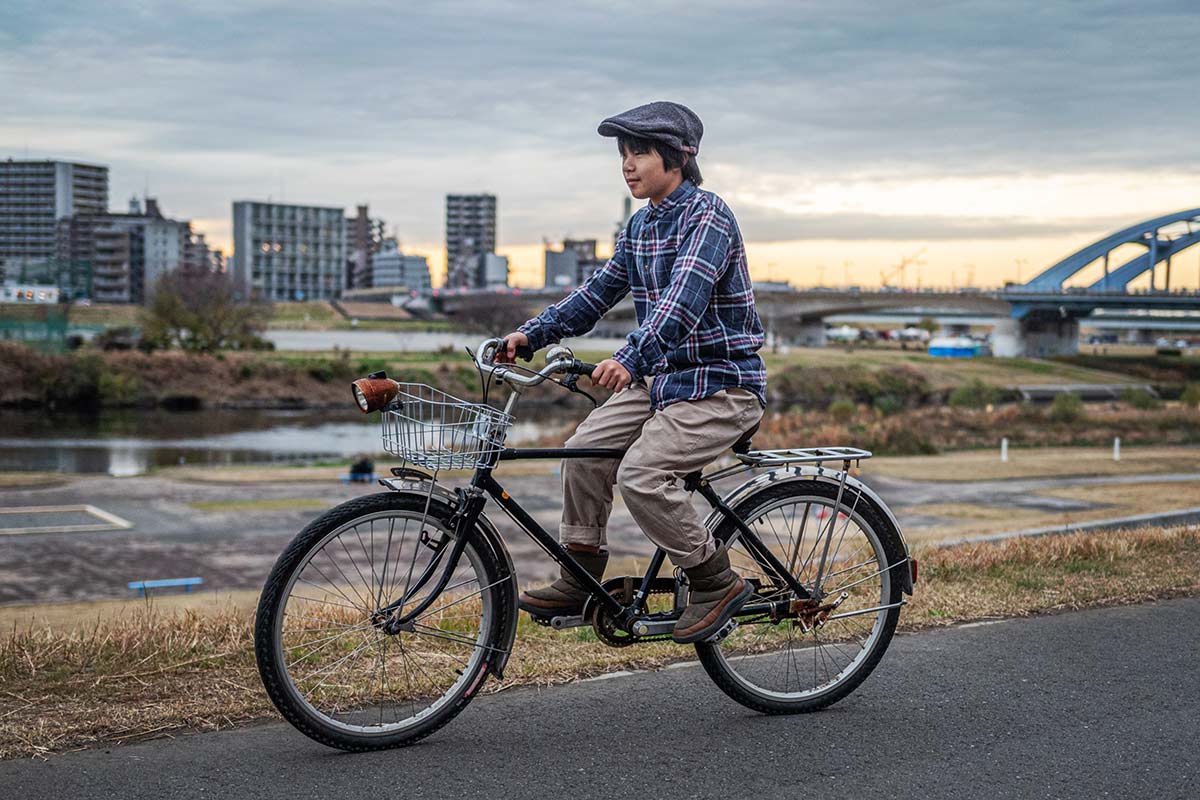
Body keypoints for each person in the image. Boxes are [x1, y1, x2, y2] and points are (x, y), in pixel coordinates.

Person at [497, 101, 767, 644]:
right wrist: (533, 333)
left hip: (720, 386)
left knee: (642, 475)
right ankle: (581, 574)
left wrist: (631, 357)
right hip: (663, 385)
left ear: (679, 156)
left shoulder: (707, 216)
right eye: (623, 154)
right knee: (584, 451)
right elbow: (597, 293)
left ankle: (715, 583)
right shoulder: (641, 227)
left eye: (639, 152)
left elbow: (683, 301)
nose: (627, 164)